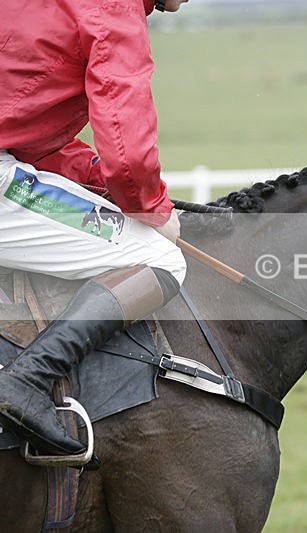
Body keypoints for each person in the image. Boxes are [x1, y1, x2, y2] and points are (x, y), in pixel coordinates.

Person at [0, 0, 191, 456]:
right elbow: (127, 145)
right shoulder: (113, 6)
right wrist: (153, 209)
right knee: (160, 257)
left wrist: (93, 177)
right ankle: (25, 383)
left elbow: (24, 132)